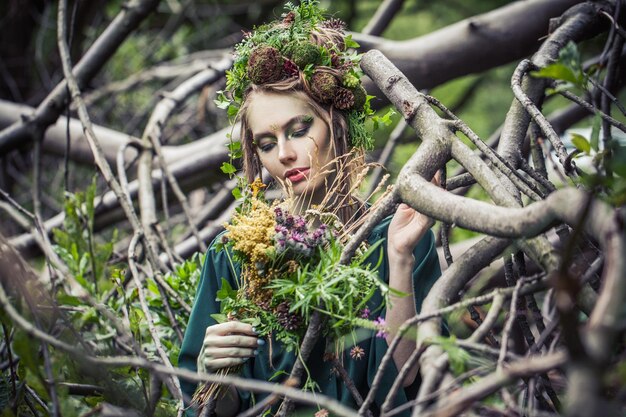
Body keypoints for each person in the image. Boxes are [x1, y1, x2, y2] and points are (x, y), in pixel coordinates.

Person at [178, 3, 441, 416]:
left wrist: (401, 259)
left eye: (300, 130)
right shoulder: (232, 255)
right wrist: (213, 375)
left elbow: (407, 381)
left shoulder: (395, 237)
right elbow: (216, 408)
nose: (284, 154)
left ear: (337, 123)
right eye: (266, 143)